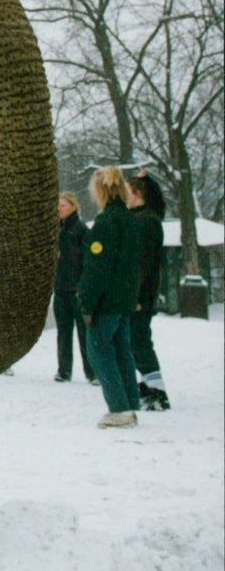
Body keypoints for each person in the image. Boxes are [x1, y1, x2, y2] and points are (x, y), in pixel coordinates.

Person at [78, 166, 142, 428]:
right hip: (124, 300)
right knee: (122, 351)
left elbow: (97, 268)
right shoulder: (131, 220)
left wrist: (87, 302)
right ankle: (129, 403)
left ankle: (119, 408)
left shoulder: (105, 223)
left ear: (100, 191)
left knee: (100, 352)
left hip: (106, 302)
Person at [126, 170, 171, 411]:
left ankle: (157, 391)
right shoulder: (144, 217)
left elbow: (141, 263)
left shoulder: (145, 221)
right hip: (141, 292)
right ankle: (147, 384)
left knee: (139, 341)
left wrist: (135, 296)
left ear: (137, 194)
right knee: (136, 341)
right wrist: (148, 180)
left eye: (126, 191)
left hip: (141, 295)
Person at [53, 192, 96, 383]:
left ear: (73, 207)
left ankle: (92, 372)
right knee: (63, 331)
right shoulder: (56, 230)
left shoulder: (81, 230)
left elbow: (89, 260)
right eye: (58, 205)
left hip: (77, 289)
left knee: (84, 332)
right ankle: (64, 370)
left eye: (63, 205)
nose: (59, 209)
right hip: (60, 288)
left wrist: (83, 286)